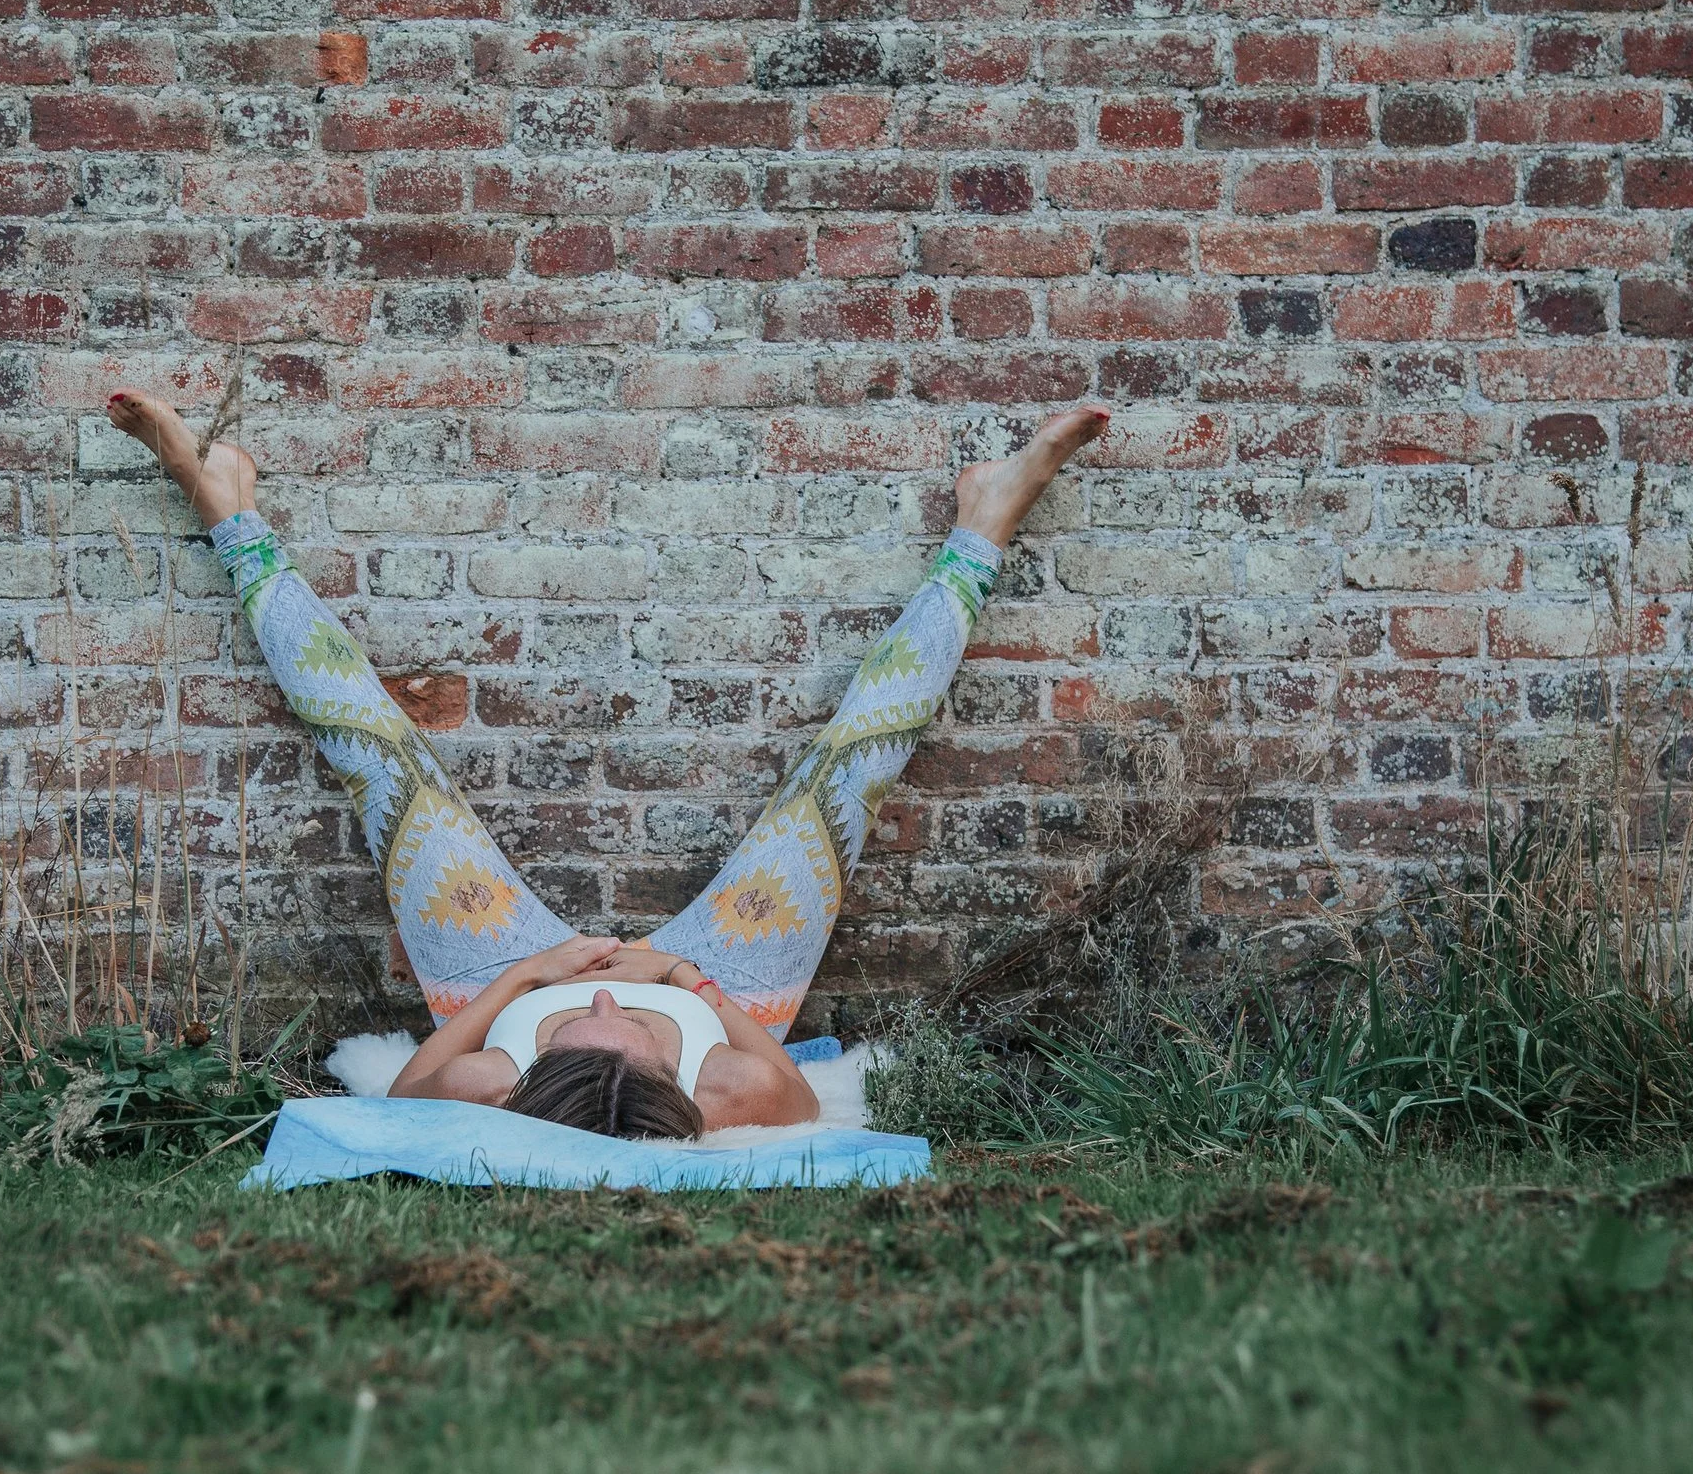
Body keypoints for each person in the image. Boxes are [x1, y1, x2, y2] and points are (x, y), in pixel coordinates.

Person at [105, 390, 1108, 1138]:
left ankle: (227, 506)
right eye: (622, 1027)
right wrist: (684, 983)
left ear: (526, 1078)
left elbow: (408, 1095)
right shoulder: (733, 1091)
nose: (602, 1003)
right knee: (848, 764)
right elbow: (798, 1098)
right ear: (676, 1083)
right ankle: (986, 522)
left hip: (496, 972)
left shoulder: (488, 1081)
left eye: (573, 1030)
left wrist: (528, 982)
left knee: (380, 754)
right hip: (728, 980)